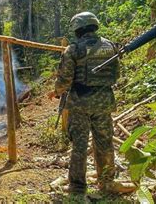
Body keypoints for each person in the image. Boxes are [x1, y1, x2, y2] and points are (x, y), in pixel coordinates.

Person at [51, 12, 133, 198]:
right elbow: (116, 75)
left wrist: (56, 92)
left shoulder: (73, 50)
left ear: (77, 29)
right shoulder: (110, 46)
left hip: (80, 103)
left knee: (79, 145)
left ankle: (78, 188)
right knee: (104, 142)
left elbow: (64, 81)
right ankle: (107, 183)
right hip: (104, 102)